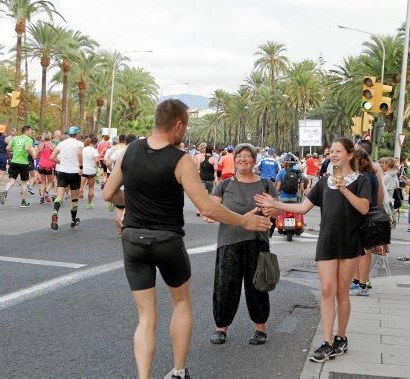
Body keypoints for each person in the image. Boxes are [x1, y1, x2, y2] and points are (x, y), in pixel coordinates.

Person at [102, 99, 271, 379]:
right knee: (181, 303)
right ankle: (178, 370)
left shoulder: (129, 151)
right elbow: (206, 206)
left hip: (133, 240)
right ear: (178, 125)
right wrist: (244, 220)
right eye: (186, 127)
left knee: (146, 317)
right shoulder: (180, 160)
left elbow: (109, 194)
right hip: (167, 241)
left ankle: (143, 376)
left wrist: (133, 201)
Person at [255, 137, 371, 363]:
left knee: (341, 293)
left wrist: (344, 189)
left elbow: (364, 208)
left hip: (349, 242)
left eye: (338, 151)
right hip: (327, 241)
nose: (334, 155)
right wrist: (276, 204)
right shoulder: (323, 181)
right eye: (332, 152)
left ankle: (341, 337)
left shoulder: (361, 180)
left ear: (349, 155)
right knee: (327, 290)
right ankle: (327, 342)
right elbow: (303, 207)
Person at [208, 143, 278, 346]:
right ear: (235, 160)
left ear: (255, 161)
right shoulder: (225, 185)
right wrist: (213, 215)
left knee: (257, 285)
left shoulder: (265, 184)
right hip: (229, 242)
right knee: (225, 286)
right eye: (240, 156)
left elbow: (277, 209)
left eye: (248, 156)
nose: (243, 159)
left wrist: (268, 210)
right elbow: (211, 209)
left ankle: (260, 329)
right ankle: (221, 328)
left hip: (257, 242)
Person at [349, 149, 379, 297]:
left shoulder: (363, 177)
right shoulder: (372, 175)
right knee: (362, 252)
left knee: (362, 252)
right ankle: (360, 281)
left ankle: (361, 284)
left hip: (363, 216)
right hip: (370, 215)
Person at [50, 126, 84, 230]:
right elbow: (79, 154)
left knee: (59, 196)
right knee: (74, 199)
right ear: (77, 134)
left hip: (62, 172)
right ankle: (73, 220)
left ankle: (55, 212)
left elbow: (52, 157)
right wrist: (81, 166)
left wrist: (62, 162)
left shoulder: (61, 143)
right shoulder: (79, 143)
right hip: (74, 172)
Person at [0, 125, 36, 208]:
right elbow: (27, 149)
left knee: (12, 180)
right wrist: (32, 154)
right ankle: (23, 202)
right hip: (23, 163)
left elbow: (8, 148)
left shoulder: (15, 138)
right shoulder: (28, 139)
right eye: (30, 131)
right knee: (24, 182)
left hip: (14, 162)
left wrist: (16, 150)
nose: (31, 132)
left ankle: (5, 191)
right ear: (26, 131)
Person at [80, 136, 100, 209]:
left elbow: (80, 158)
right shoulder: (95, 150)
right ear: (96, 143)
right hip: (92, 171)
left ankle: (81, 191)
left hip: (84, 170)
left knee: (81, 185)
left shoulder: (84, 149)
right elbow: (97, 160)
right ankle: (89, 203)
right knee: (91, 188)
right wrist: (98, 165)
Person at [37, 132, 56, 204]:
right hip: (50, 165)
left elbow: (37, 155)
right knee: (51, 181)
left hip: (41, 165)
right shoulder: (53, 145)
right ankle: (46, 192)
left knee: (43, 182)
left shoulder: (40, 145)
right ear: (50, 137)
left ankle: (41, 198)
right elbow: (55, 155)